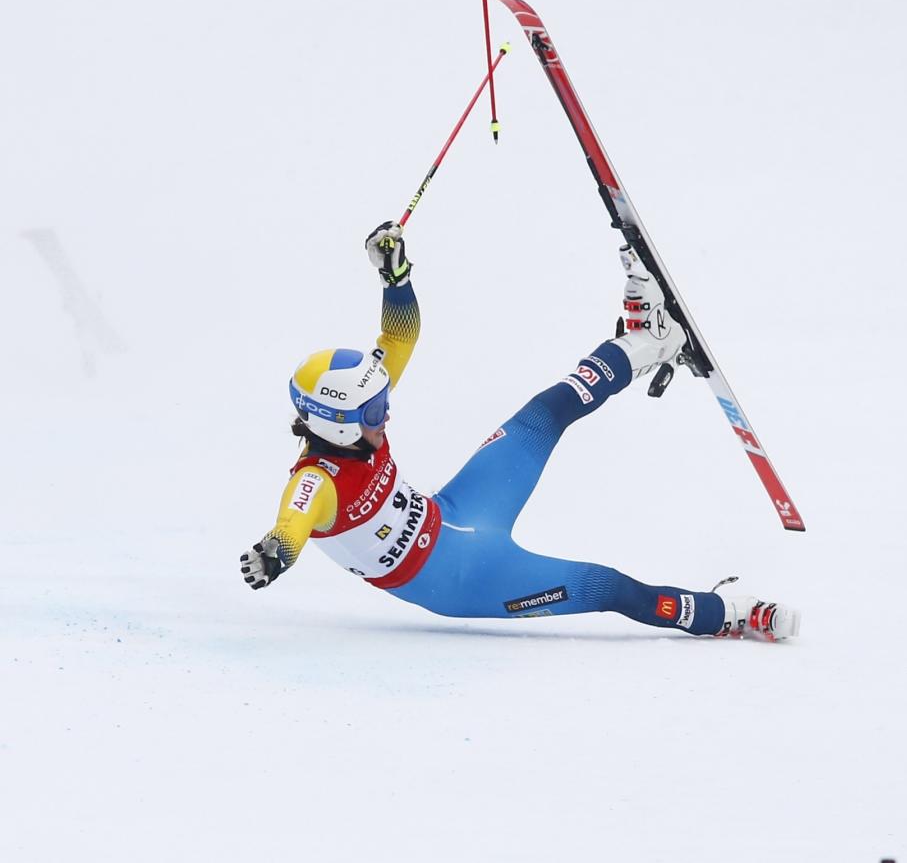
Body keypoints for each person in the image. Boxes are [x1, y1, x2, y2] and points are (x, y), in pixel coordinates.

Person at [241, 222, 800, 641]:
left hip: (456, 512)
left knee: (542, 414)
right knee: (603, 587)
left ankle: (646, 340)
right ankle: (725, 614)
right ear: (330, 426)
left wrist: (396, 277)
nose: (384, 414)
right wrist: (273, 554)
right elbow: (292, 524)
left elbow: (400, 337)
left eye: (382, 400)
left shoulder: (355, 419)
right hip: (465, 579)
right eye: (370, 413)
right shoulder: (317, 482)